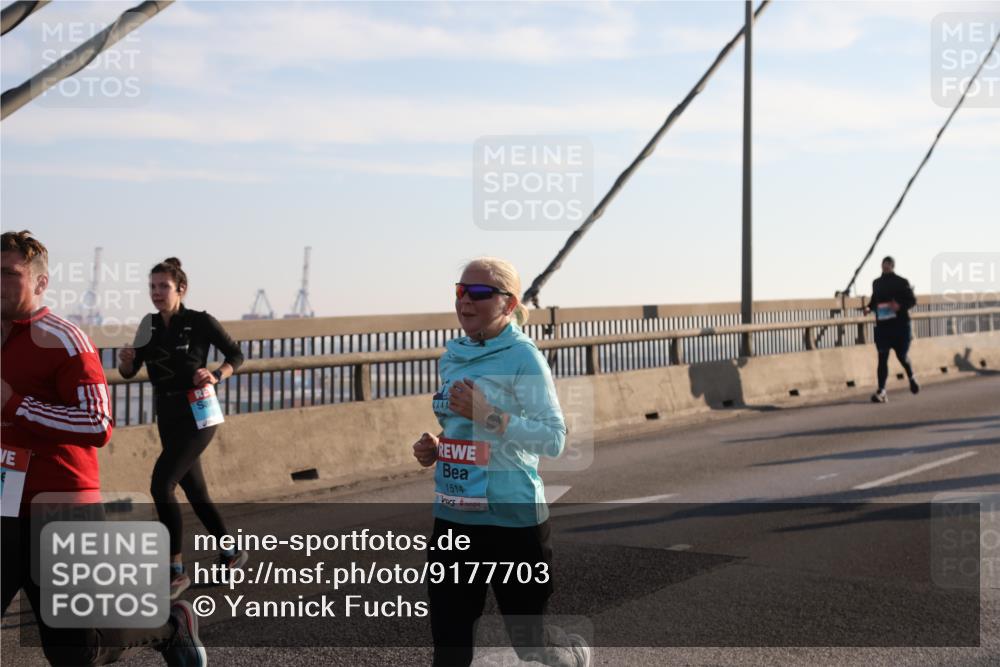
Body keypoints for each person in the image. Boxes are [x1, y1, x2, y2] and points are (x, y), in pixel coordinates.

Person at [1, 230, 205, 666]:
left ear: (40, 284)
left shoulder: (65, 339)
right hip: (3, 505)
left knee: (76, 651)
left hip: (58, 509)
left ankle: (170, 625)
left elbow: (97, 423)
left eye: (8, 274)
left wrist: (16, 404)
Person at [412, 257, 590, 667]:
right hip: (455, 519)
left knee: (532, 645)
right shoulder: (453, 355)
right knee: (450, 647)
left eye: (479, 294)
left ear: (509, 305)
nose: (466, 302)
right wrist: (438, 447)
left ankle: (573, 655)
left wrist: (488, 415)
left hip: (513, 523)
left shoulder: (523, 359)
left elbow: (554, 438)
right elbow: (464, 428)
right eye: (461, 291)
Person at [118, 258, 246, 599]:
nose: (157, 293)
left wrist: (216, 374)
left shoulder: (200, 321)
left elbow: (236, 354)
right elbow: (131, 372)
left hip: (198, 412)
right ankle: (231, 552)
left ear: (180, 289)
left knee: (162, 485)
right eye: (152, 287)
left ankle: (175, 570)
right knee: (196, 492)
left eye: (164, 287)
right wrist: (127, 362)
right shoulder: (149, 325)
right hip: (168, 413)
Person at [864, 255, 919, 403]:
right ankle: (881, 391)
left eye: (888, 264)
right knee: (882, 358)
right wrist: (868, 308)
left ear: (893, 266)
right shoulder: (876, 283)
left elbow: (912, 300)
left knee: (902, 356)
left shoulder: (901, 282)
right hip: (883, 327)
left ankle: (912, 377)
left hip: (900, 326)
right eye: (884, 264)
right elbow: (874, 299)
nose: (885, 266)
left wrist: (899, 305)